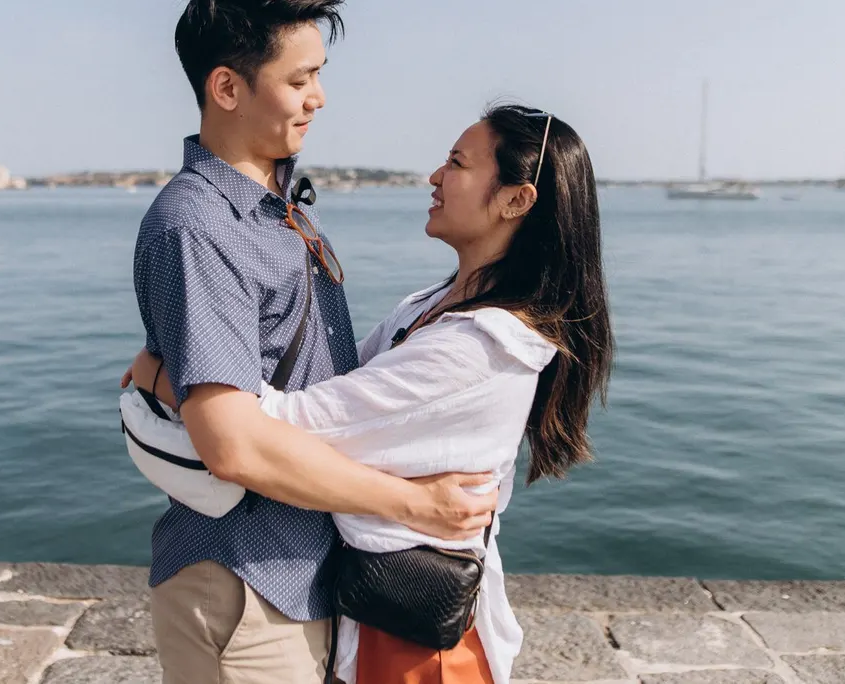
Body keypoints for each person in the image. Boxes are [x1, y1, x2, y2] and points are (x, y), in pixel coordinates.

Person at [131, 104, 614, 684]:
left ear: (516, 199)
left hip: (415, 642)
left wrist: (159, 373)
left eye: (457, 164)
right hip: (375, 612)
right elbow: (339, 394)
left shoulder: (480, 347)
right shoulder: (431, 306)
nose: (435, 177)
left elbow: (280, 423)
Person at [132, 0, 499, 684]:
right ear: (227, 87)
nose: (319, 98)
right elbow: (231, 446)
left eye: (319, 75)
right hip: (244, 582)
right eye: (299, 79)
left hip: (307, 571)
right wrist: (416, 504)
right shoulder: (196, 225)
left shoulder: (288, 208)